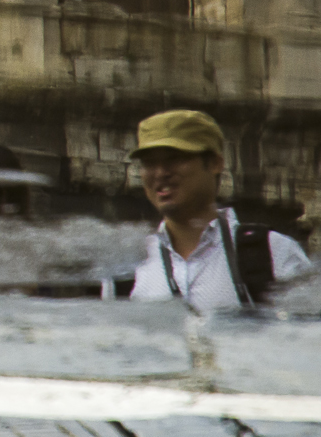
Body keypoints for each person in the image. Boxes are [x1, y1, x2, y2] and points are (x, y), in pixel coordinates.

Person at [125, 109, 313, 311]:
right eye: (149, 163)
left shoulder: (274, 253)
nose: (161, 173)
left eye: (175, 159)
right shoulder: (130, 265)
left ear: (215, 163)